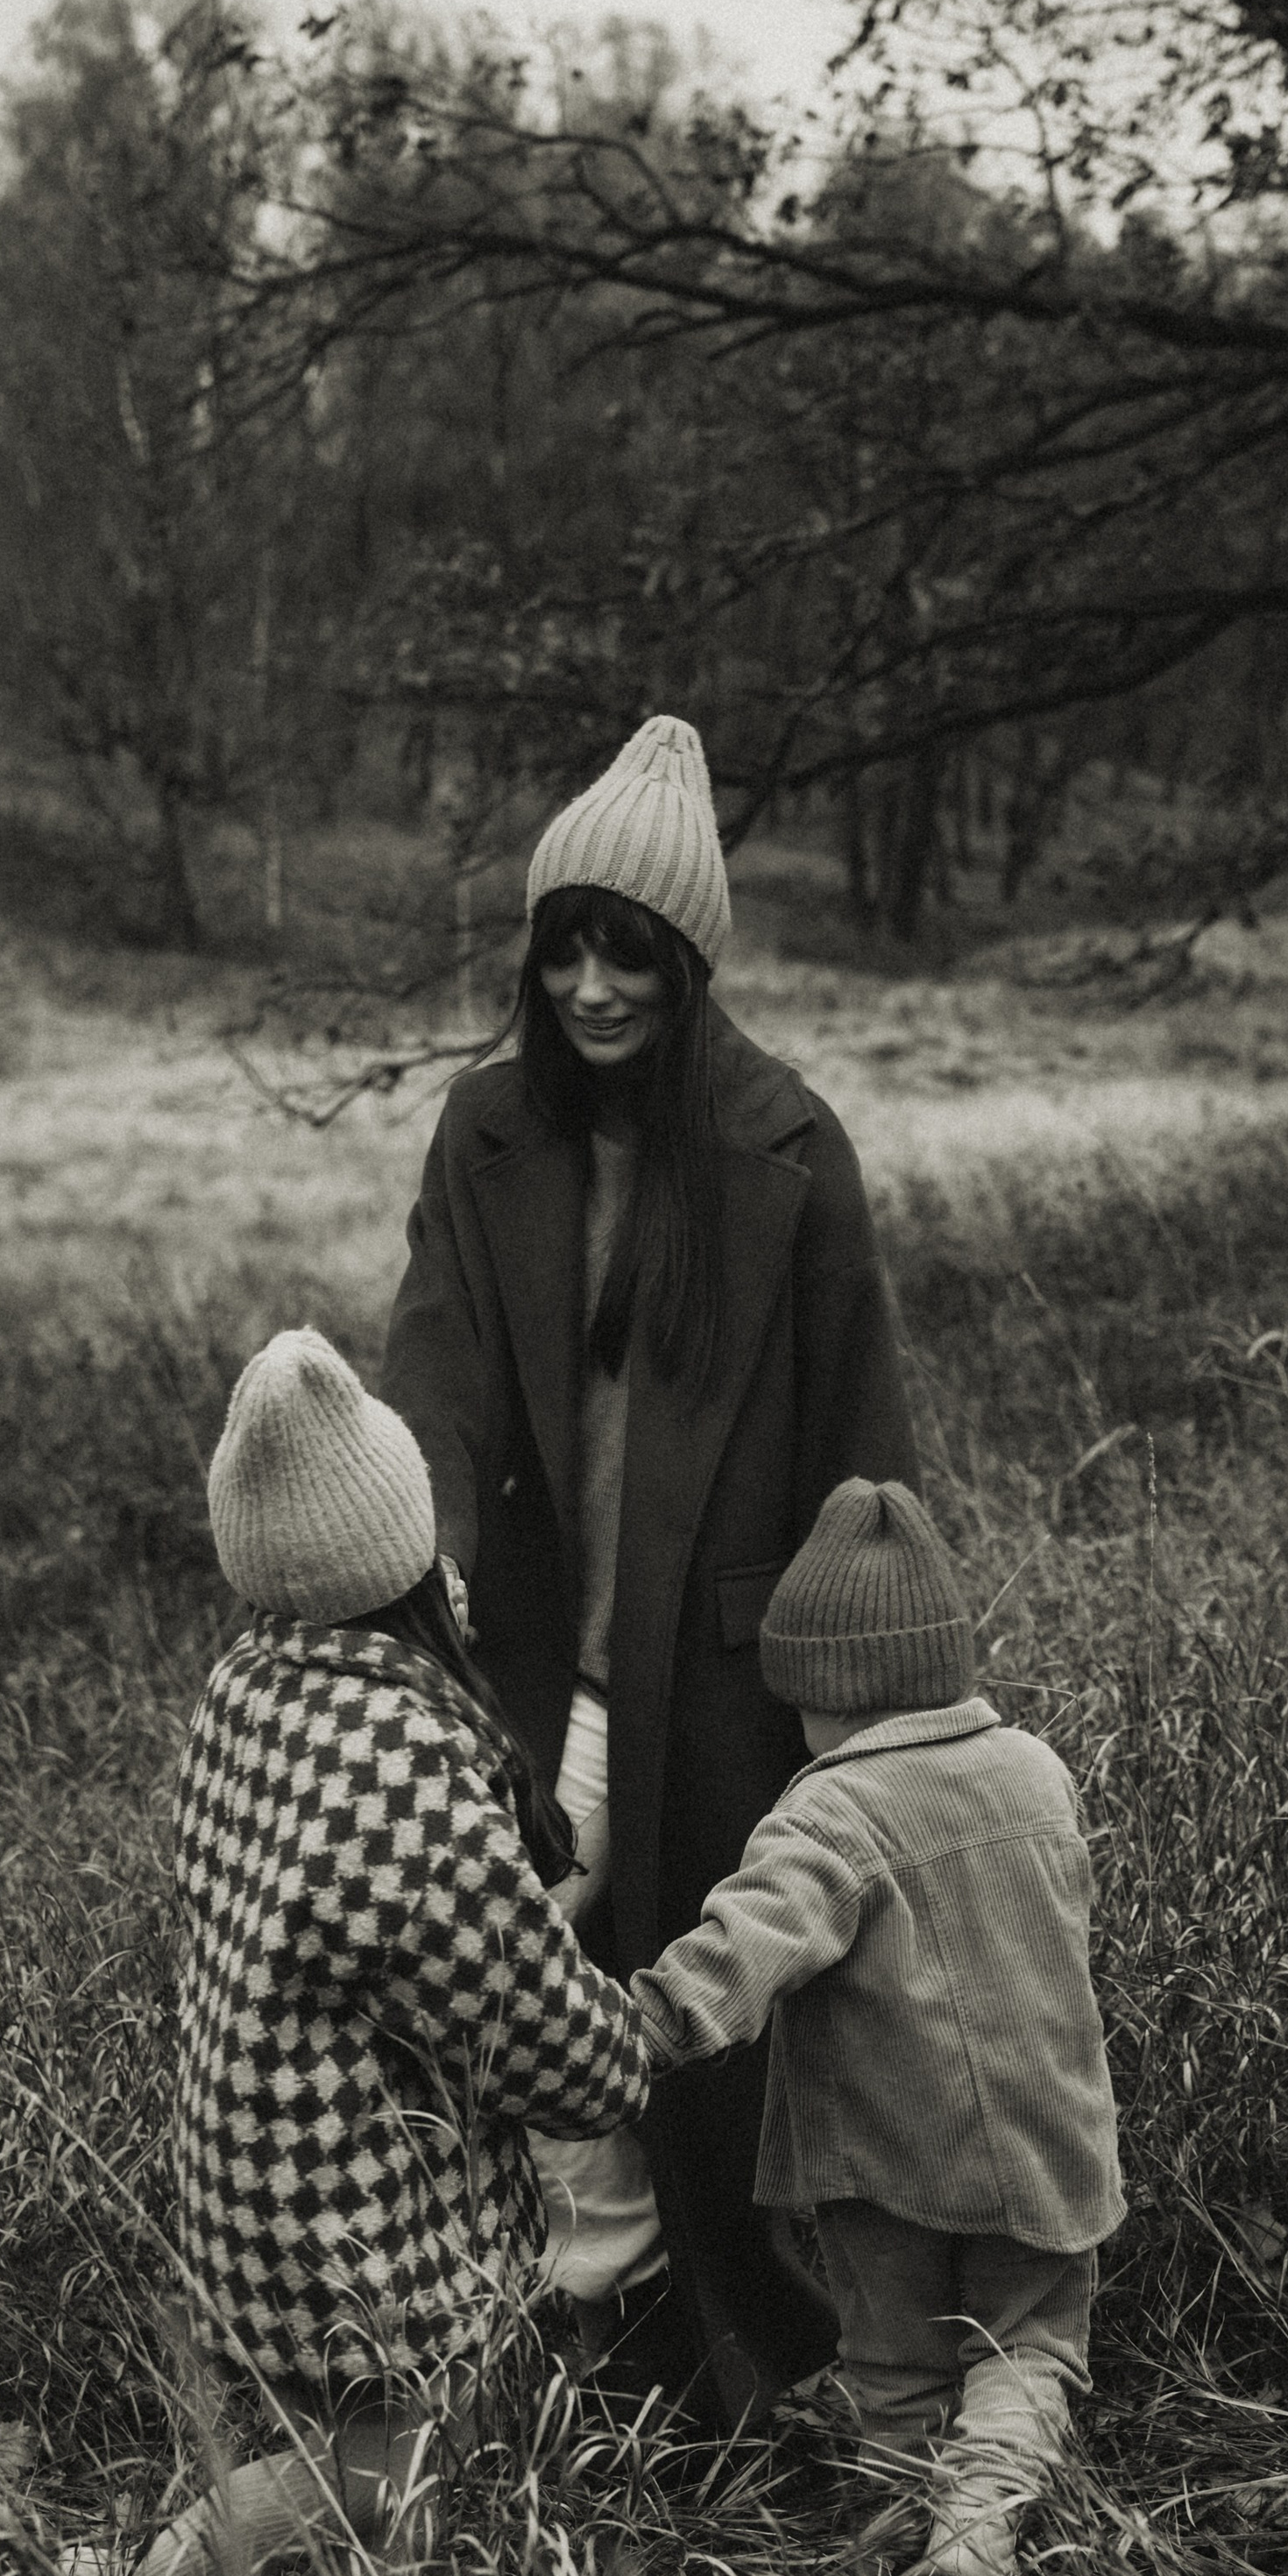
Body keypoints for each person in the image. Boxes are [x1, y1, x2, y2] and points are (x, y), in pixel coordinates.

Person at [382, 714, 918, 2430]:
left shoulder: (783, 1152)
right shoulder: (484, 1135)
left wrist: (885, 1712)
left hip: (725, 1682)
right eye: (563, 949)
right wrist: (433, 1562)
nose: (592, 988)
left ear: (687, 965)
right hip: (542, 1669)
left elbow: (867, 1447)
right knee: (532, 1985)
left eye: (630, 954)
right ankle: (583, 2326)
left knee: (721, 2029)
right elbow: (435, 1369)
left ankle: (775, 2370)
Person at [60, 1327, 648, 2576]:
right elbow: (550, 2047)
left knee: (380, 2502)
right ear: (404, 1539)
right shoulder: (406, 1778)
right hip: (356, 2222)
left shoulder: (246, 1693)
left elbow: (375, 1945)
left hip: (244, 2179)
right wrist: (634, 2027)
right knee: (396, 2463)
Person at [630, 1478, 1124, 2576]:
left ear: (827, 1687)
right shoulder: (1038, 1774)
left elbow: (744, 1946)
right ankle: (977, 2530)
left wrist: (642, 2026)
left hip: (883, 2162)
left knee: (894, 2364)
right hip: (1045, 2136)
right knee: (1028, 2346)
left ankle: (894, 2526)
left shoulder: (830, 1814)